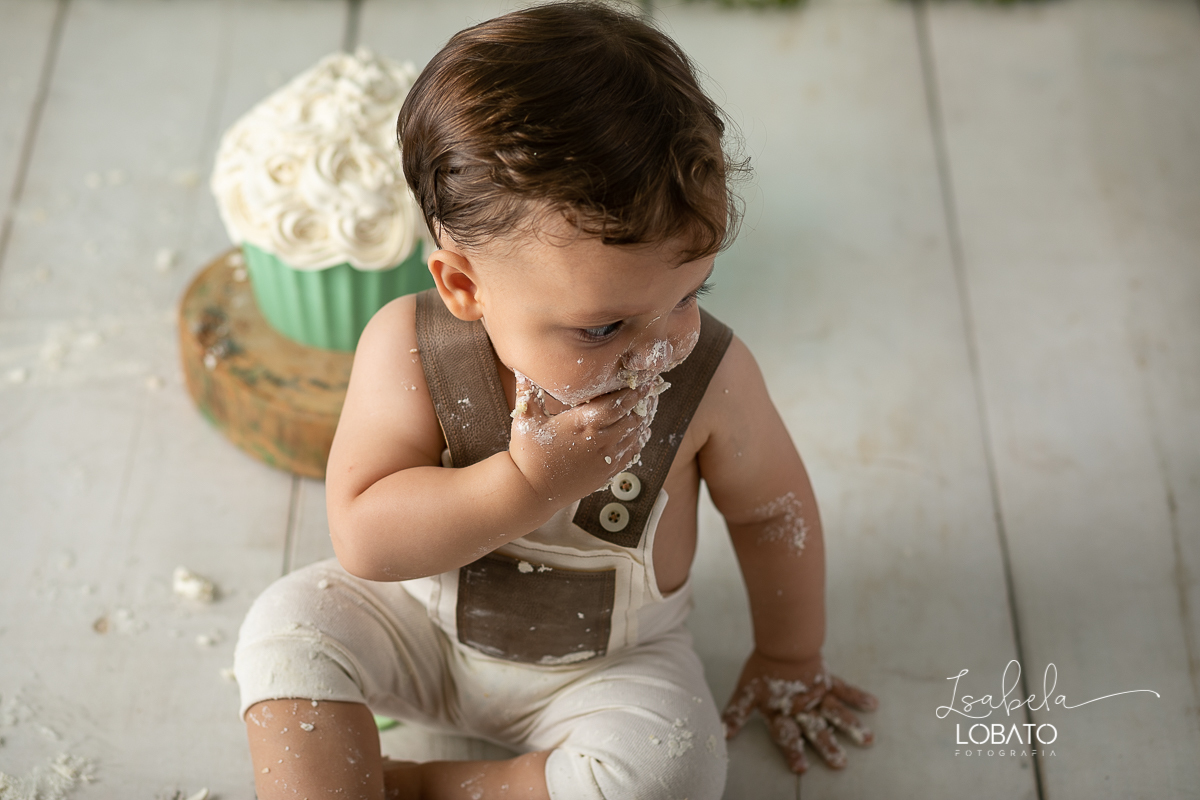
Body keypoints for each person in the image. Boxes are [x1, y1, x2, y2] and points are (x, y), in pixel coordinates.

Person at [232, 3, 877, 798]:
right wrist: (530, 482)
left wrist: (788, 656)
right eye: (601, 326)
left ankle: (418, 787)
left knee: (676, 767)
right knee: (286, 628)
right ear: (465, 286)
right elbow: (366, 539)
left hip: (610, 669)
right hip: (418, 631)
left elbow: (772, 510)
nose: (659, 343)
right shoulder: (412, 350)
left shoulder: (711, 377)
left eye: (688, 293)